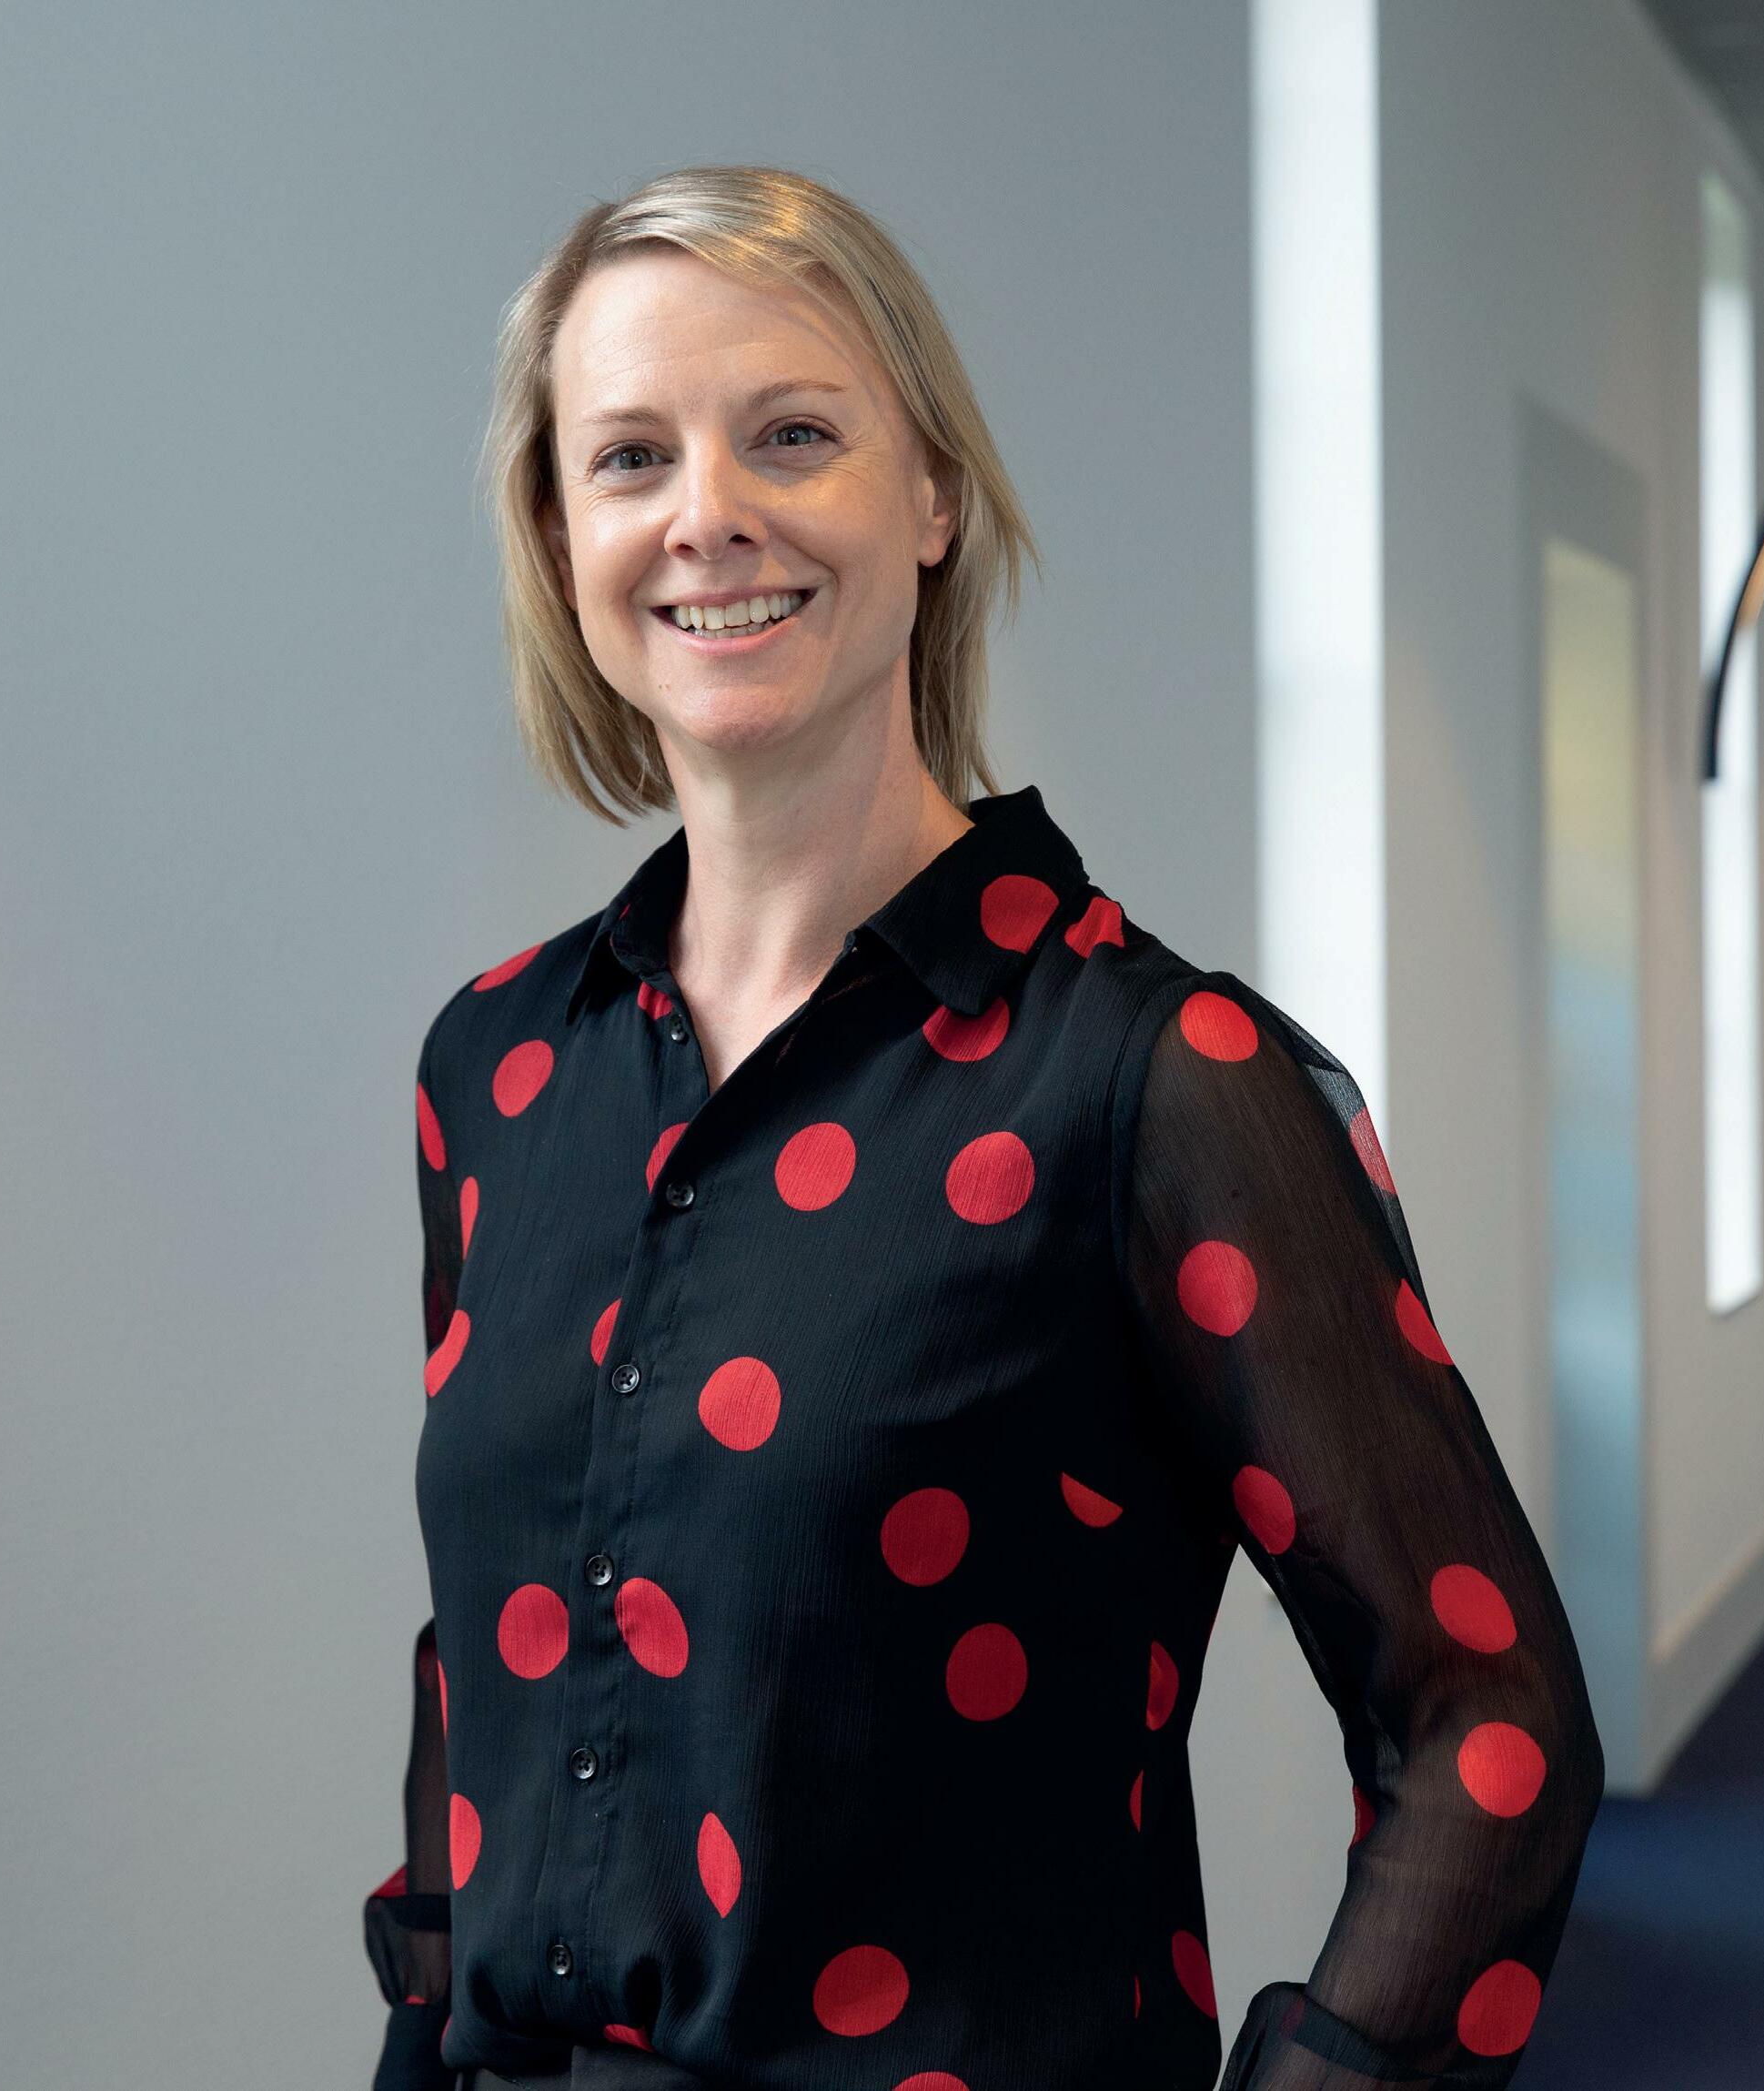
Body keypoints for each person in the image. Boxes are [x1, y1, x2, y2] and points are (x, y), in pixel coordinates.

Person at [363, 166, 1602, 2091]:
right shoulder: (497, 1069)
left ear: (931, 496)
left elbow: (1490, 1725)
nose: (707, 514)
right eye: (628, 457)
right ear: (558, 532)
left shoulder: (1151, 1078)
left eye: (793, 434)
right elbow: (492, 1650)